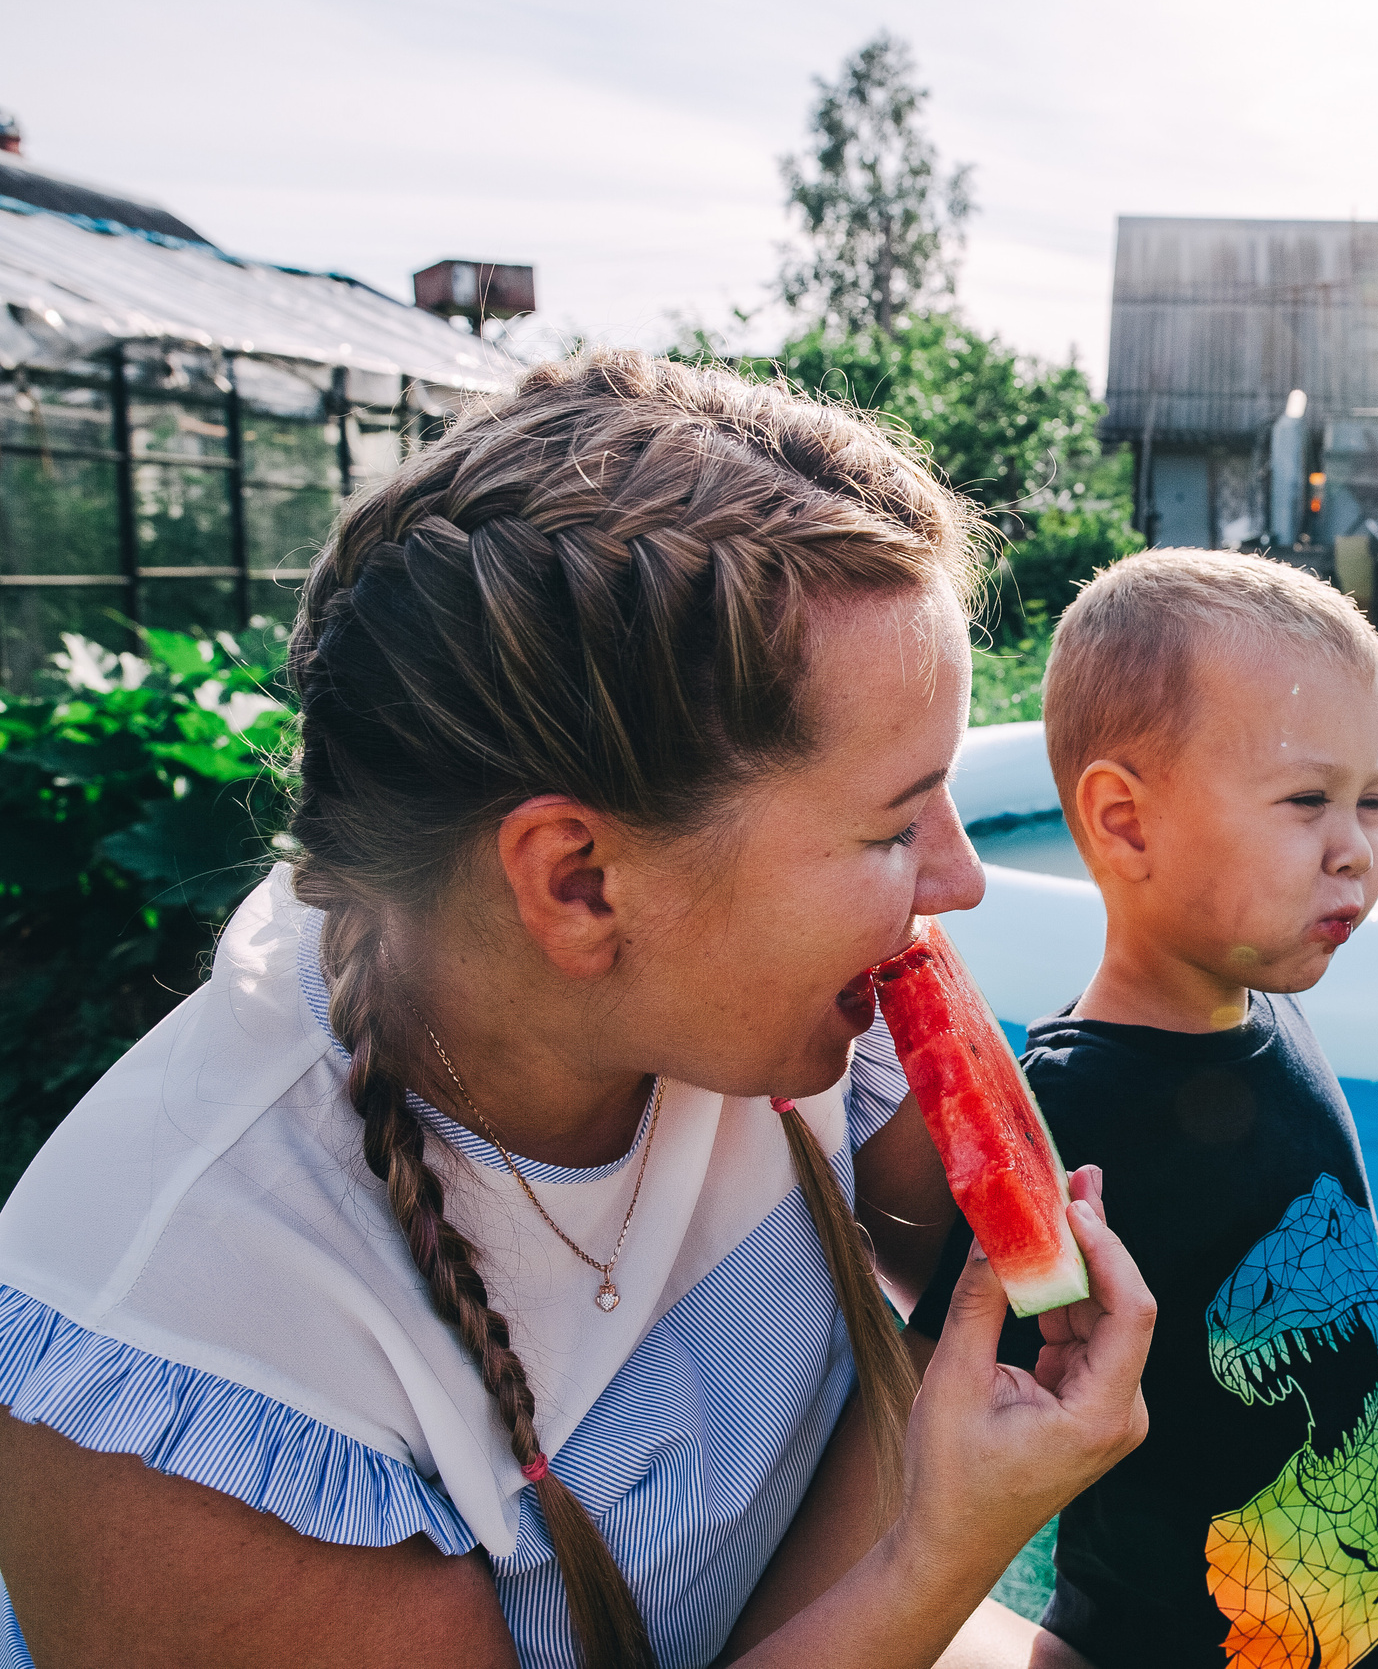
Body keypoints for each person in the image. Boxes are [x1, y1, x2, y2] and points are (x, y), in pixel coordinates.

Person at [0, 352, 1154, 1669]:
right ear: (577, 879)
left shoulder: (783, 992)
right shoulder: (192, 1389)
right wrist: (936, 1551)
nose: (958, 881)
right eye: (897, 824)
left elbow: (991, 1280)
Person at [910, 550, 1378, 1669]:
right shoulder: (1070, 1110)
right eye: (1307, 802)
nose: (1357, 851)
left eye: (1374, 802)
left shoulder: (1271, 1011)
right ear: (1126, 824)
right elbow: (934, 1405)